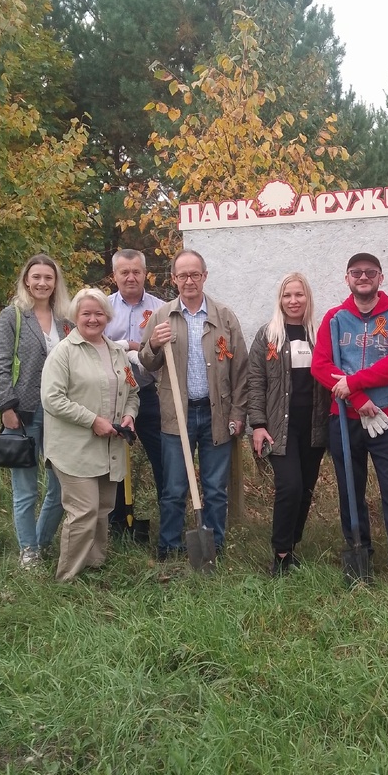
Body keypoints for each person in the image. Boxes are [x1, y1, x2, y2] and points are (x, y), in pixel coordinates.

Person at [312, 252, 388, 597]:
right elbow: (321, 366)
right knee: (350, 493)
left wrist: (354, 383)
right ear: (347, 279)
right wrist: (358, 399)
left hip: (387, 418)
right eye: (356, 272)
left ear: (380, 278)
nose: (363, 277)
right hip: (344, 420)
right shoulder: (334, 318)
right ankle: (360, 556)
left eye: (369, 272)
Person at [139, 249, 248, 560]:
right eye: (182, 275)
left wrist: (238, 412)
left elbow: (241, 370)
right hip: (177, 413)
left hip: (217, 413)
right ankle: (169, 546)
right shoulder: (162, 317)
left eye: (195, 274)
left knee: (215, 489)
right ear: (174, 279)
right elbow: (148, 363)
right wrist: (154, 344)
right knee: (174, 488)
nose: (189, 280)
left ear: (205, 276)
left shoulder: (224, 317)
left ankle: (213, 547)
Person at [40, 289, 140, 581]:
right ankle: (67, 577)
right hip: (74, 449)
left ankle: (94, 567)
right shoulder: (63, 353)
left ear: (108, 317)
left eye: (99, 313)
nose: (93, 319)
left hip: (110, 448)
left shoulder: (118, 353)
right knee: (84, 511)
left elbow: (132, 392)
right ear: (76, 317)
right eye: (86, 313)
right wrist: (92, 420)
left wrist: (129, 416)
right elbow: (52, 399)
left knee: (103, 509)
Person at [0, 253, 72, 568]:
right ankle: (29, 553)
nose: (42, 283)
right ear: (27, 280)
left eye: (48, 278)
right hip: (22, 414)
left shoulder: (66, 319)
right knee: (25, 491)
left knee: (61, 487)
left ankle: (39, 542)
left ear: (55, 283)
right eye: (36, 277)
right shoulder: (13, 315)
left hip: (59, 416)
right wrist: (7, 406)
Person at [249, 273, 330, 576]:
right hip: (279, 428)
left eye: (299, 295)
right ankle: (280, 554)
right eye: (287, 295)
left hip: (313, 426)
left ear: (308, 298)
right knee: (290, 487)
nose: (293, 301)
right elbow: (255, 382)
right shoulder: (267, 335)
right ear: (279, 300)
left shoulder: (320, 334)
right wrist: (257, 424)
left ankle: (292, 545)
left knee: (306, 489)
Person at [105, 248, 164, 531]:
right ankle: (116, 521)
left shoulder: (161, 308)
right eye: (124, 272)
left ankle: (169, 522)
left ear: (145, 273)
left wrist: (132, 346)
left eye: (136, 271)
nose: (131, 277)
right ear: (114, 275)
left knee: (163, 458)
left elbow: (167, 349)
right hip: (111, 397)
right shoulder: (101, 308)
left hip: (150, 395)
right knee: (112, 461)